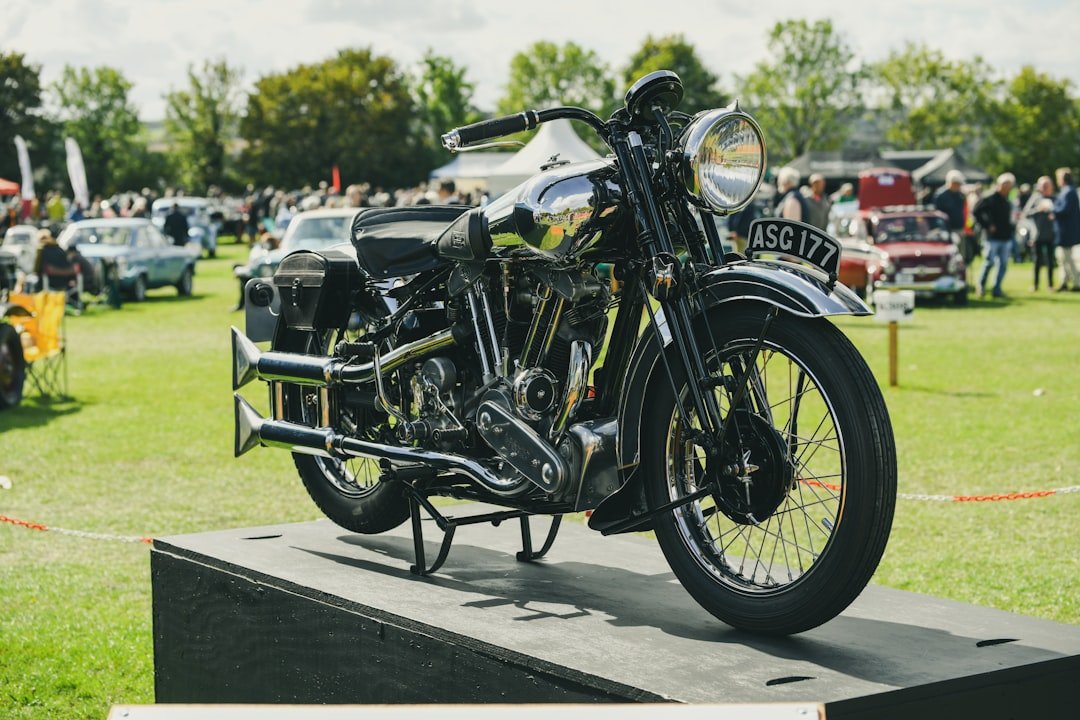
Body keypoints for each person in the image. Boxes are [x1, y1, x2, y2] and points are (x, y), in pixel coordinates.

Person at [972, 173, 1016, 298]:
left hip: (1005, 236)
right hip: (992, 238)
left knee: (1003, 265)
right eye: (1005, 185)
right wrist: (987, 225)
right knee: (989, 262)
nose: (1007, 188)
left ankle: (997, 289)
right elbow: (976, 211)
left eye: (1009, 186)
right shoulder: (989, 197)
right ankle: (981, 286)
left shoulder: (1007, 200)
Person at [1022, 176, 1056, 291]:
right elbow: (1026, 213)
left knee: (1051, 261)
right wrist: (1038, 209)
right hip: (1037, 235)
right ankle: (1035, 284)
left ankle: (1050, 285)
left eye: (1047, 185)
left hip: (1052, 235)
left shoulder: (1055, 198)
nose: (1045, 187)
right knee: (1037, 260)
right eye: (1043, 185)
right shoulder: (1036, 198)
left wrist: (1053, 213)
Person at [1052, 167, 1080, 291]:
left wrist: (1052, 209)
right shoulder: (1067, 191)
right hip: (1064, 231)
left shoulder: (1069, 192)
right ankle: (1064, 281)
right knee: (1062, 258)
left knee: (1068, 259)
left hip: (1067, 231)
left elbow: (1064, 210)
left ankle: (1076, 283)